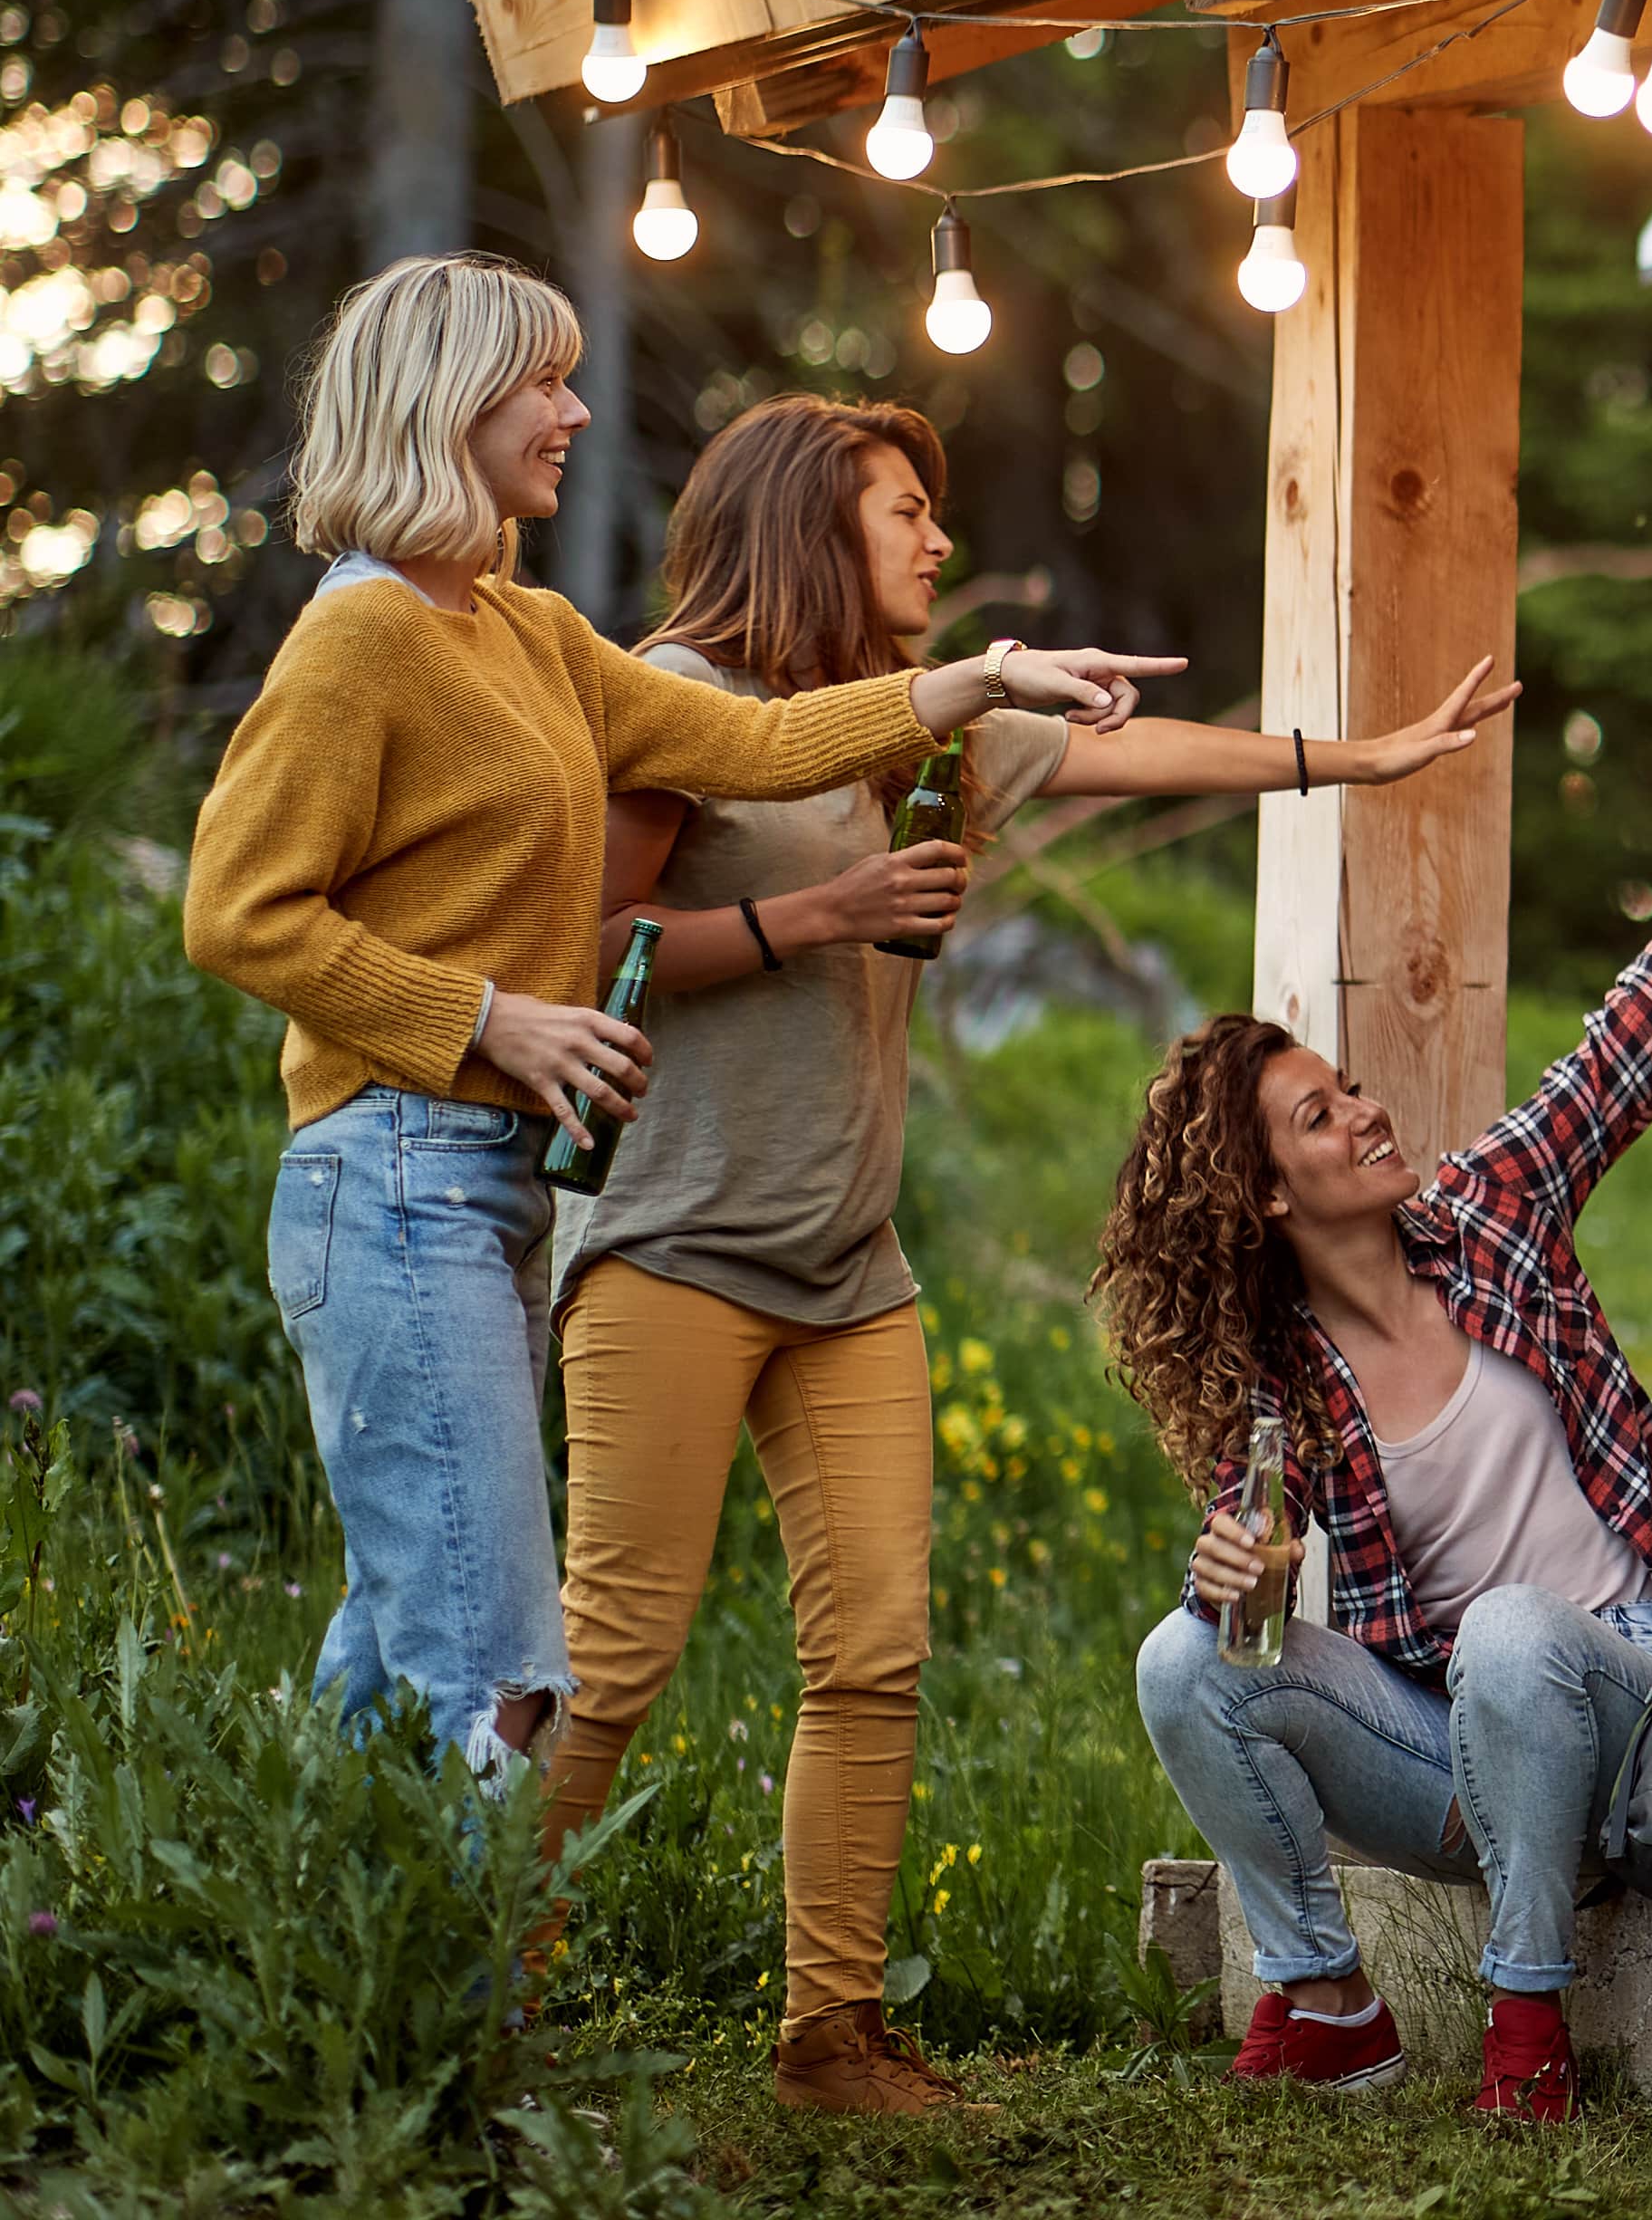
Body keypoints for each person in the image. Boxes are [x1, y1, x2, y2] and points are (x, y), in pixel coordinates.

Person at [544, 395, 1522, 2115]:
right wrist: (819, 915)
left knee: (872, 1652)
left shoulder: (916, 739)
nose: (935, 537)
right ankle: (471, 1982)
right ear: (803, 523)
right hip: (672, 1245)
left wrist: (1361, 758)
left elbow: (1147, 753)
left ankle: (829, 2034)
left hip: (848, 1269)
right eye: (902, 509)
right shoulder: (679, 701)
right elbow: (592, 943)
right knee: (613, 1659)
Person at [181, 253, 1173, 1787]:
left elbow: (758, 738)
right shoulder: (359, 638)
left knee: (396, 1648)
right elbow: (238, 910)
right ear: (447, 402)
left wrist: (975, 679)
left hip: (490, 1186)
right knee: (504, 1678)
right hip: (387, 1176)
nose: (577, 409)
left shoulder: (521, 631)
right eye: (545, 380)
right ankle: (469, 2022)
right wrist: (493, 1018)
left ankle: (290, 1974)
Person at [1107, 620, 1652, 2122]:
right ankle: (1326, 1994)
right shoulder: (1277, 1381)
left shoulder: (1498, 1212)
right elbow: (1250, 1608)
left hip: (1647, 1693)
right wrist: (1224, 1571)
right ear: (1265, 1198)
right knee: (1177, 1658)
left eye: (1351, 1090)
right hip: (1471, 1757)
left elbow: (1649, 1011)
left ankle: (1527, 2017)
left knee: (1519, 1628)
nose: (1370, 1112)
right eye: (1323, 1118)